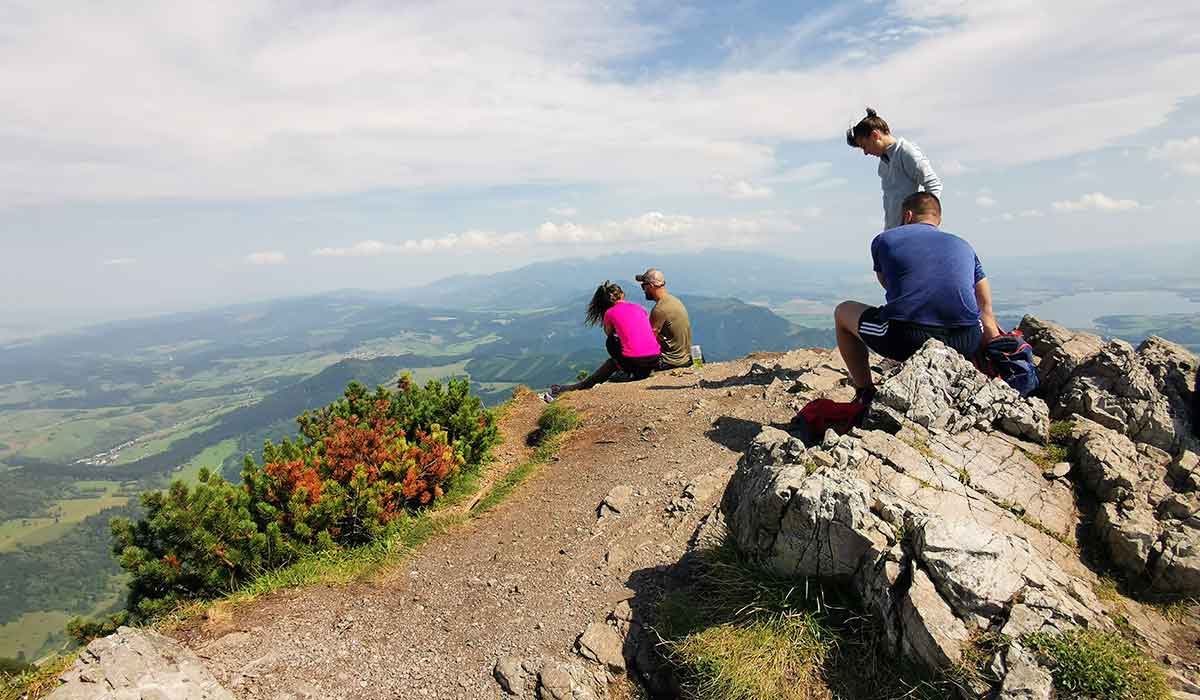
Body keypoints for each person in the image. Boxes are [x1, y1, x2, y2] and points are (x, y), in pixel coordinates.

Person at [834, 192, 999, 403]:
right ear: (937, 218)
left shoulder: (885, 239)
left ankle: (865, 392)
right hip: (966, 340)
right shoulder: (963, 245)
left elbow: (889, 284)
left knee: (842, 312)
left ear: (908, 215)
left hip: (907, 338)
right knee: (977, 317)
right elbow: (984, 304)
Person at [551, 281, 661, 395]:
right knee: (620, 350)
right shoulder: (639, 307)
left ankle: (577, 387)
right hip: (654, 359)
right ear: (622, 294)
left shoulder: (610, 313)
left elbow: (608, 333)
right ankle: (576, 386)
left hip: (637, 362)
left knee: (611, 343)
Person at [846, 107, 943, 230]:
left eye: (865, 146)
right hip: (892, 232)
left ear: (875, 135)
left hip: (911, 233)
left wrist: (925, 226)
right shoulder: (883, 164)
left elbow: (934, 184)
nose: (865, 152)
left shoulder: (906, 152)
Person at [635, 268, 693, 370]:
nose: (643, 290)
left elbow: (649, 341)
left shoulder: (659, 310)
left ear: (651, 286)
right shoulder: (675, 301)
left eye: (643, 286)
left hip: (670, 361)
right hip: (686, 357)